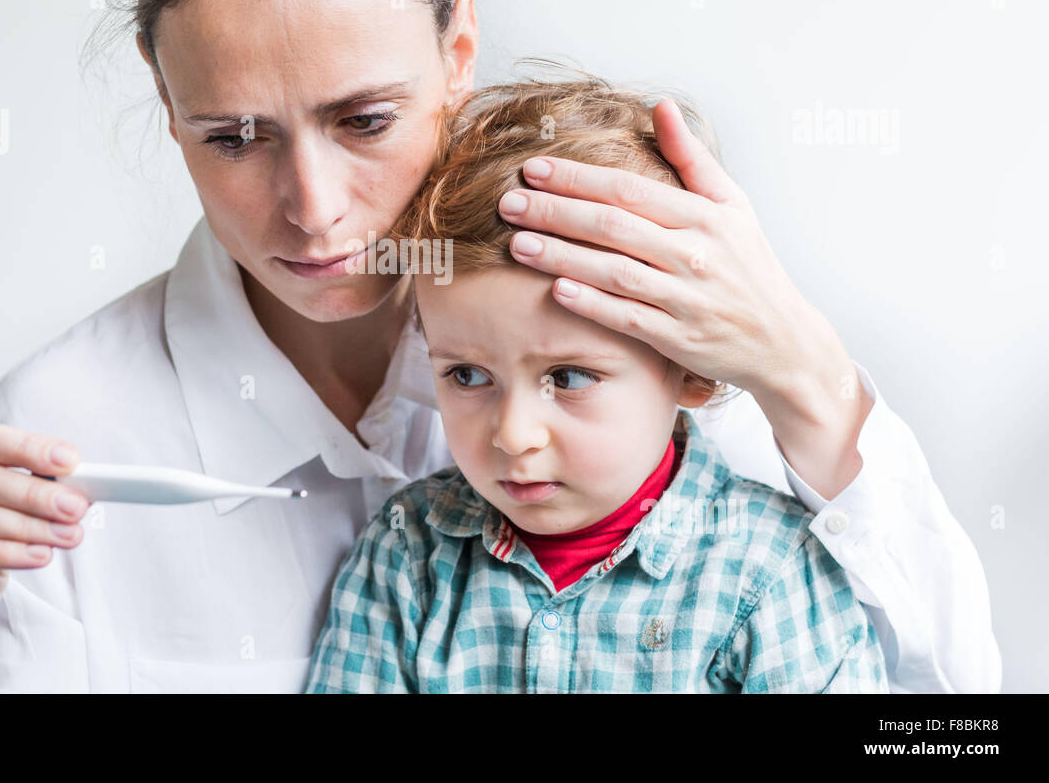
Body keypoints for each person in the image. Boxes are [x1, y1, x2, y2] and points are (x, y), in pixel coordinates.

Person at [0, 0, 998, 693]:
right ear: (169, 112)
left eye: (363, 120)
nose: (312, 212)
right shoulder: (68, 432)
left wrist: (806, 372)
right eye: (235, 137)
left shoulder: (625, 319)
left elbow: (948, 709)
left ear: (458, 52)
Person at [305, 76, 890, 693]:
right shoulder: (405, 557)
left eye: (570, 377)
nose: (514, 435)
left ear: (688, 370)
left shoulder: (769, 573)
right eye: (468, 375)